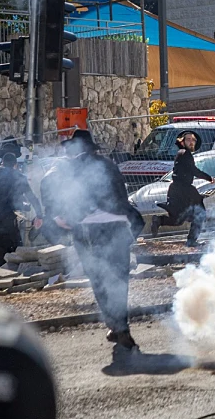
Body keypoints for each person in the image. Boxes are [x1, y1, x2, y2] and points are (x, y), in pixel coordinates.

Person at [48, 130, 144, 354]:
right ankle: (119, 327)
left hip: (89, 230)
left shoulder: (71, 169)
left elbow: (63, 199)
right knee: (119, 279)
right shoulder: (109, 164)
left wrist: (62, 218)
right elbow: (122, 196)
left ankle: (117, 326)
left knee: (99, 280)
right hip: (118, 226)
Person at [151, 132, 214, 246]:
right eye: (188, 139)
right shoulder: (185, 153)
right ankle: (191, 241)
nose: (191, 142)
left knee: (178, 219)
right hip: (185, 189)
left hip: (176, 189)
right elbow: (193, 170)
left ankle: (159, 220)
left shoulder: (182, 153)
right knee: (201, 214)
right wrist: (208, 178)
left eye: (193, 140)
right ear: (183, 142)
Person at [0, 152, 43, 265]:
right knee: (16, 246)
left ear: (3, 163)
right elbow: (32, 198)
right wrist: (39, 215)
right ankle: (11, 269)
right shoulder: (19, 177)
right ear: (15, 165)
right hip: (7, 217)